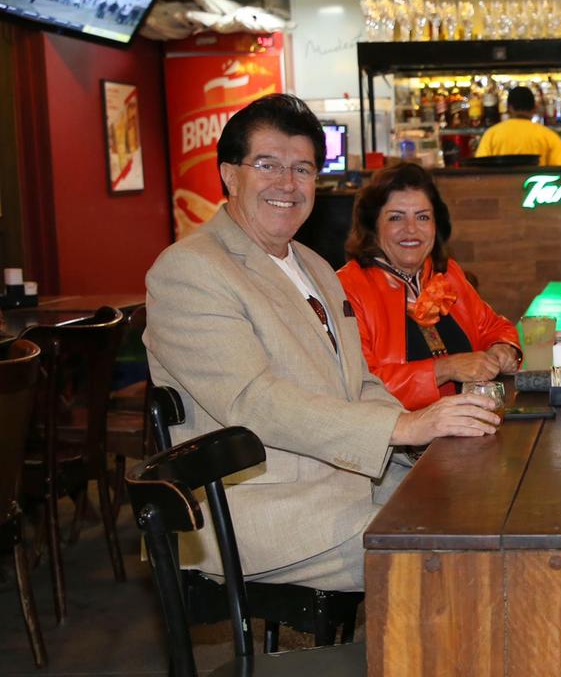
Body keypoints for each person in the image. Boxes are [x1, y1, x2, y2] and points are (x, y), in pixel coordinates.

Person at [143, 94, 501, 592]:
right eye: (267, 165)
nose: (287, 184)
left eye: (303, 169)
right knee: (453, 565)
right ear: (229, 174)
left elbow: (361, 380)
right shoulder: (190, 270)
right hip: (260, 512)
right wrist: (404, 424)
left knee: (490, 518)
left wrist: (422, 442)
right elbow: (253, 401)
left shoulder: (313, 265)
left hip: (349, 483)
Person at [337, 162, 521, 410]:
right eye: (396, 218)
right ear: (372, 227)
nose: (411, 230)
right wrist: (446, 368)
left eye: (422, 217)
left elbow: (493, 326)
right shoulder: (347, 287)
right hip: (402, 443)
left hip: (468, 426)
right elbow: (359, 385)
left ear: (436, 225)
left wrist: (503, 348)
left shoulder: (446, 272)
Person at [474, 86, 561, 166]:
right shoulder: (550, 136)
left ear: (509, 107)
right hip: (536, 185)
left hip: (500, 186)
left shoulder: (491, 134)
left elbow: (481, 170)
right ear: (534, 108)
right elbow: (560, 172)